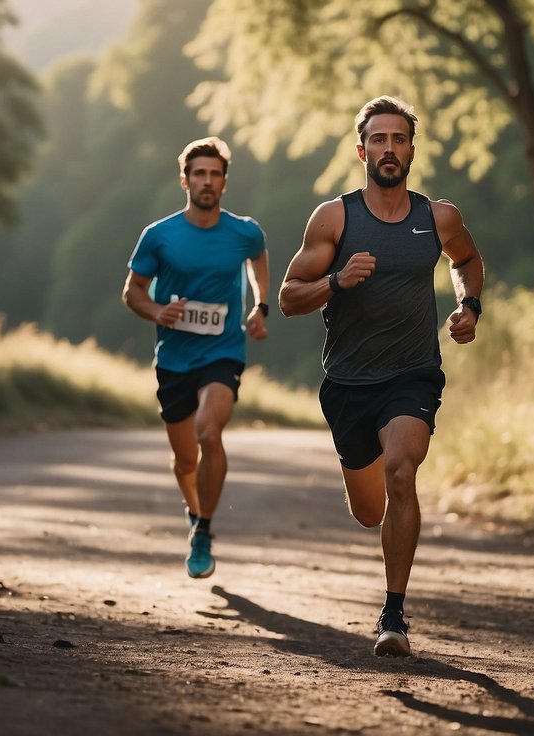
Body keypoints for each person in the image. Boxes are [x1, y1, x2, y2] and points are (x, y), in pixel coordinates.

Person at [278, 96, 484, 657]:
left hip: (413, 373)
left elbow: (466, 261)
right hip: (347, 382)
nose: (388, 149)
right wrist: (337, 282)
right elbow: (289, 298)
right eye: (378, 140)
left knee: (401, 471)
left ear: (412, 150)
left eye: (399, 139)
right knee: (370, 511)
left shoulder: (437, 216)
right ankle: (383, 560)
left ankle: (393, 615)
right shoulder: (335, 218)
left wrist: (469, 307)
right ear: (361, 149)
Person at [123, 136, 270, 579]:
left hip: (222, 351)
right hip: (174, 358)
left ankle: (203, 530)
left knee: (210, 433)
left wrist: (260, 307)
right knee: (186, 461)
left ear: (225, 182)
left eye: (215, 174)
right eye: (199, 174)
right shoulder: (159, 235)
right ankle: (195, 512)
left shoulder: (245, 232)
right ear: (185, 180)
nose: (207, 181)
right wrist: (156, 311)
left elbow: (259, 262)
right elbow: (131, 291)